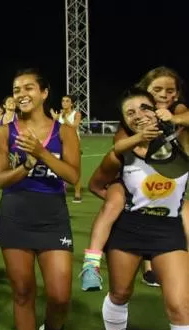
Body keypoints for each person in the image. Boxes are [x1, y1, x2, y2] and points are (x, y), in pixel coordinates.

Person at [89, 87, 189, 330]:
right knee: (120, 292)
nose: (137, 115)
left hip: (169, 230)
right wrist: (118, 196)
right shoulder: (122, 153)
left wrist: (172, 118)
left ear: (156, 110)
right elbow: (95, 184)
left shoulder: (180, 140)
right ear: (126, 122)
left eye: (143, 108)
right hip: (129, 230)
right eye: (129, 113)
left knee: (180, 305)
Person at [0, 69, 80, 330]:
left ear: (44, 92)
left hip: (53, 215)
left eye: (29, 87)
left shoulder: (66, 132)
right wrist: (26, 165)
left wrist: (41, 154)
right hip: (15, 214)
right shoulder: (4, 132)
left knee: (59, 294)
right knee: (23, 290)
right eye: (16, 88)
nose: (21, 92)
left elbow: (72, 176)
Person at [79, 67, 189, 291]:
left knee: (185, 211)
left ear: (177, 95)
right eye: (157, 90)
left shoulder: (178, 115)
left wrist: (174, 118)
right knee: (115, 202)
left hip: (166, 204)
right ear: (145, 91)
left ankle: (155, 264)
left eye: (170, 91)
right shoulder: (130, 124)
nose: (164, 95)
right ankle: (91, 264)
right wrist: (141, 137)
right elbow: (117, 148)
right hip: (131, 194)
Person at [51, 94, 84, 203]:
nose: (64, 103)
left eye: (67, 101)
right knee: (60, 167)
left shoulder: (76, 114)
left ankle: (77, 193)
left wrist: (65, 119)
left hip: (72, 143)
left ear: (71, 103)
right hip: (60, 142)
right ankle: (62, 190)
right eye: (63, 101)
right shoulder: (60, 114)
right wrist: (54, 117)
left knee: (75, 167)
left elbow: (74, 126)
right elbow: (56, 125)